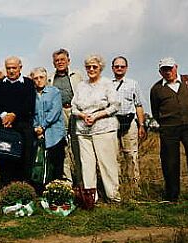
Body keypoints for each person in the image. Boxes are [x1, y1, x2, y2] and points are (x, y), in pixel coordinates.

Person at [150, 57, 188, 206]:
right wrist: (166, 123)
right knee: (170, 163)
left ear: (176, 67)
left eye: (170, 68)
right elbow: (155, 111)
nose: (168, 72)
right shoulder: (156, 89)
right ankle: (172, 197)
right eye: (164, 69)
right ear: (160, 71)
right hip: (168, 129)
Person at [71, 54, 121, 204]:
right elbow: (74, 107)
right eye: (88, 67)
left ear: (100, 68)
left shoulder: (107, 84)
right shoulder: (81, 85)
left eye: (94, 67)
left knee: (107, 164)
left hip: (104, 129)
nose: (91, 70)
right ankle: (90, 198)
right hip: (83, 131)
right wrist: (81, 115)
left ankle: (113, 197)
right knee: (87, 165)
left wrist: (97, 115)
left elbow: (115, 105)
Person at [0, 56, 36, 186]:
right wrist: (5, 115)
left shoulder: (28, 83)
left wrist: (14, 115)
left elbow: (29, 105)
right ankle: (7, 193)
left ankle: (24, 193)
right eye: (8, 68)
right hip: (4, 128)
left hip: (23, 128)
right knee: (5, 162)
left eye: (14, 68)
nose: (11, 71)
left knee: (24, 161)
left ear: (20, 68)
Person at [47, 48, 83, 184]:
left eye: (62, 59)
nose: (60, 62)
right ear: (53, 63)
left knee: (77, 146)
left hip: (74, 111)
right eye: (57, 60)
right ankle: (67, 180)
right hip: (58, 113)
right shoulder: (50, 78)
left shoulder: (77, 75)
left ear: (68, 60)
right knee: (62, 147)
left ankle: (81, 180)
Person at [111, 56, 147, 191]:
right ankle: (116, 187)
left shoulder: (133, 84)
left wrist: (141, 125)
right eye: (116, 66)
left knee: (131, 154)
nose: (119, 68)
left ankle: (134, 187)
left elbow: (138, 105)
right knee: (113, 156)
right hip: (112, 122)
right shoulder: (107, 84)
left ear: (126, 68)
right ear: (112, 68)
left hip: (130, 122)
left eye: (122, 66)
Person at [31, 67, 66, 186]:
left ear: (46, 78)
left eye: (41, 77)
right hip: (38, 134)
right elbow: (31, 113)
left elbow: (55, 112)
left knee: (56, 164)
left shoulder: (54, 92)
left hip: (55, 134)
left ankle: (57, 191)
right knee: (40, 163)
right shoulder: (31, 95)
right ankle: (41, 189)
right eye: (35, 78)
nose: (39, 80)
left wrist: (43, 126)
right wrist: (36, 128)